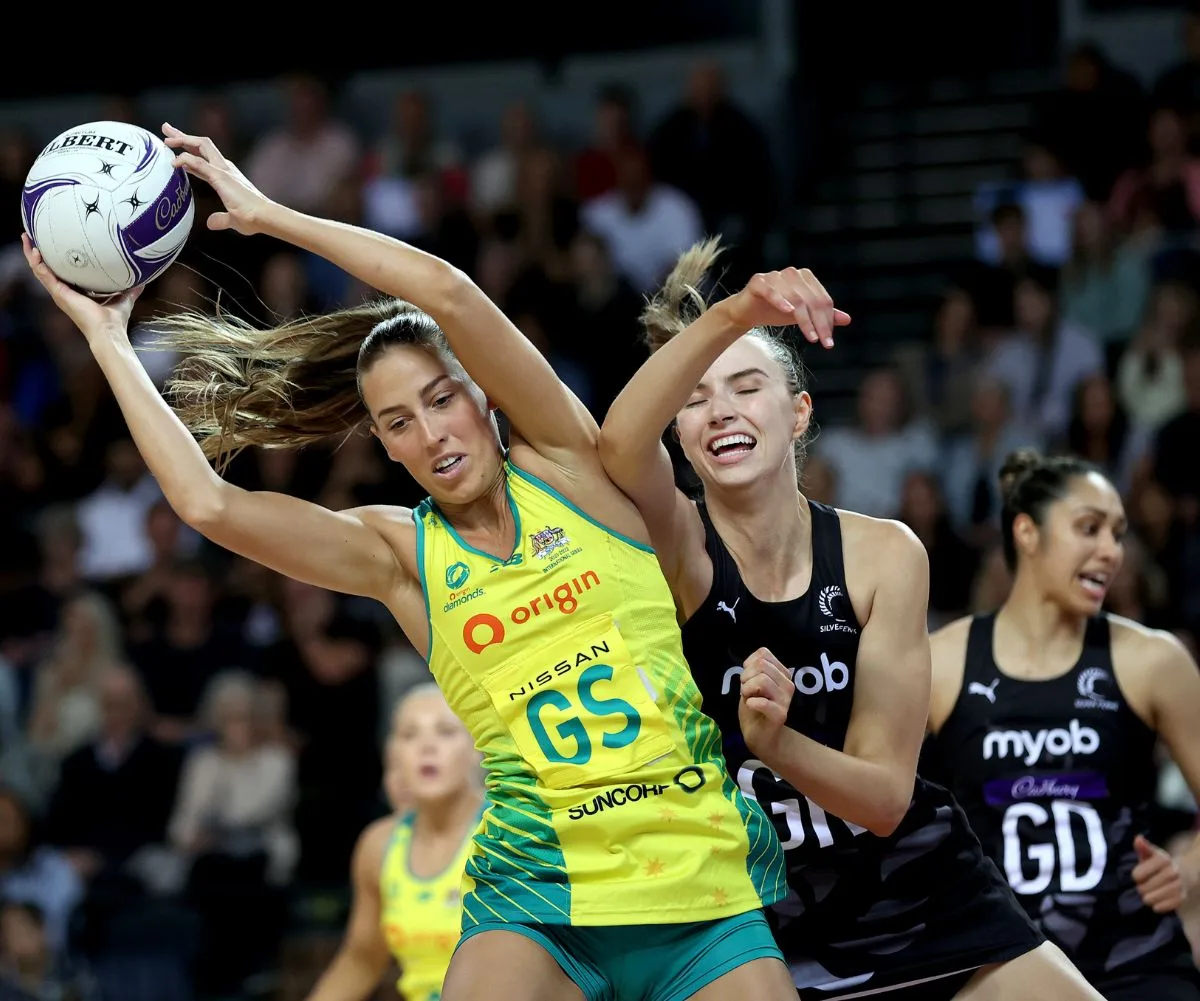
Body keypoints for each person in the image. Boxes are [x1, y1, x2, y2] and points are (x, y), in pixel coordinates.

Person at [18, 124, 800, 1001]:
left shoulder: (571, 467)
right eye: (398, 423)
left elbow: (450, 294)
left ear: (483, 396)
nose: (431, 434)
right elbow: (210, 505)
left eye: (442, 400)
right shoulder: (399, 553)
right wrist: (109, 341)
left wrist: (275, 216)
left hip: (696, 881)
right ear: (385, 447)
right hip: (538, 901)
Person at [595, 238, 1106, 999]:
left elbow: (884, 797)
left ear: (799, 413)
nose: (721, 410)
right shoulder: (679, 547)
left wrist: (776, 741)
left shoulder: (884, 554)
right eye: (695, 399)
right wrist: (738, 312)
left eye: (745, 386)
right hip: (752, 913)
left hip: (920, 891)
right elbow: (615, 441)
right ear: (680, 436)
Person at [925, 450, 1200, 1001]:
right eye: (1089, 528)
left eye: (1118, 534)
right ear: (1027, 532)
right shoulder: (944, 660)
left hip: (1135, 957)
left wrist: (1190, 864)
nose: (1112, 552)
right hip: (998, 963)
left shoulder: (1153, 659)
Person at [306, 684, 484, 1001]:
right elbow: (362, 960)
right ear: (393, 755)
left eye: (445, 732)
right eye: (409, 735)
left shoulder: (505, 830)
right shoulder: (378, 844)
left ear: (477, 749)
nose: (426, 747)